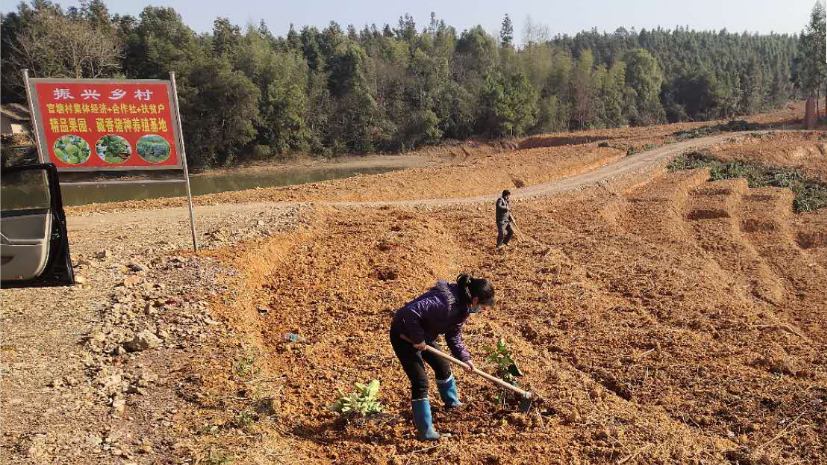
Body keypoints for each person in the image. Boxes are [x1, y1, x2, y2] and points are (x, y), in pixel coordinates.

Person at [389, 274, 496, 441]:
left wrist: (465, 358)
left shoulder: (463, 308)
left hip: (425, 335)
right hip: (404, 335)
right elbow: (409, 313)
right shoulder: (443, 301)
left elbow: (453, 335)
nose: (482, 309)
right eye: (482, 305)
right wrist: (418, 339)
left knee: (443, 367)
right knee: (420, 381)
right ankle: (425, 431)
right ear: (475, 299)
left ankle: (452, 404)